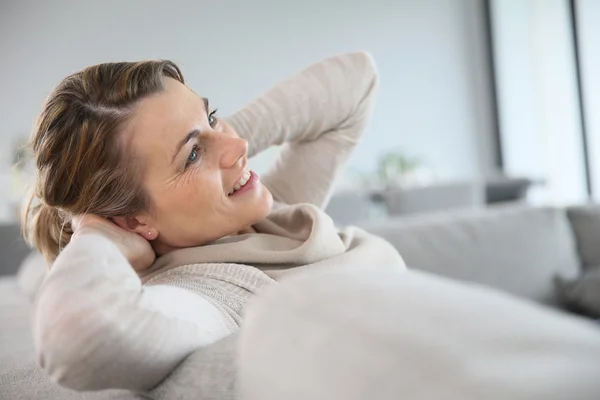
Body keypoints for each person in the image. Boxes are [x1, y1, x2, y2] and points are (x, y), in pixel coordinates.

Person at [25, 52, 406, 391]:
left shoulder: (273, 215)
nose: (240, 147)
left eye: (213, 116)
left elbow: (356, 79)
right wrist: (97, 233)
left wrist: (203, 140)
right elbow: (75, 334)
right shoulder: (210, 295)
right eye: (192, 156)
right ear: (132, 221)